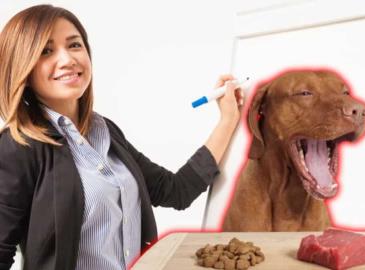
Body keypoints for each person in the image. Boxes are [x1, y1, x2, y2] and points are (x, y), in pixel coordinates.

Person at [0, 4, 243, 270]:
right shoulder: (17, 147)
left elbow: (175, 191)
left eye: (74, 45)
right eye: (46, 51)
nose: (68, 59)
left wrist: (228, 119)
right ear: (22, 66)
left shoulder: (105, 131)